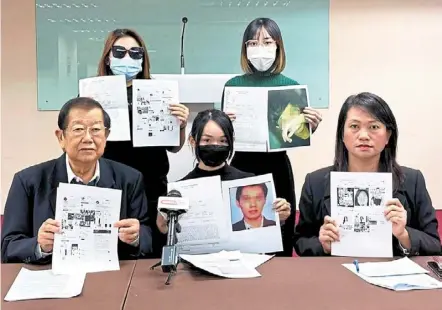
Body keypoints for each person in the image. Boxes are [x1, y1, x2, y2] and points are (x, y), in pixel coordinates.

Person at [1, 97, 153, 264]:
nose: (88, 138)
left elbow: (148, 236)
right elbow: (8, 247)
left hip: (111, 276)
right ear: (61, 137)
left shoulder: (130, 179)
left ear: (106, 135)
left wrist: (136, 237)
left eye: (96, 129)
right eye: (79, 129)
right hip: (50, 277)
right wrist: (39, 245)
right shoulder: (28, 181)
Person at [221, 17, 323, 256]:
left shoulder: (290, 86)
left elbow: (294, 135)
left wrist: (309, 127)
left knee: (280, 224)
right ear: (245, 49)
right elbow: (222, 134)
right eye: (252, 44)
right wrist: (223, 122)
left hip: (276, 165)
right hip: (240, 164)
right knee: (241, 228)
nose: (260, 49)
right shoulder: (233, 85)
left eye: (267, 42)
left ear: (278, 46)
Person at [294, 92, 441, 257]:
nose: (363, 136)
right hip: (336, 275)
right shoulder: (316, 182)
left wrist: (403, 235)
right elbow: (301, 241)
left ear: (388, 136)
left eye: (374, 127)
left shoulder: (413, 180)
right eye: (354, 126)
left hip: (392, 276)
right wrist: (324, 245)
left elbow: (434, 244)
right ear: (342, 134)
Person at [96, 29, 190, 257]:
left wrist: (181, 124)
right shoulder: (95, 95)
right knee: (114, 251)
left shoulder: (158, 92)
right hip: (111, 186)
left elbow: (174, 147)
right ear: (108, 57)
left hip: (151, 186)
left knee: (151, 251)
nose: (127, 58)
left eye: (135, 53)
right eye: (119, 52)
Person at [156, 109, 291, 241]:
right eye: (207, 140)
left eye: (222, 141)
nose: (215, 146)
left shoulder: (248, 182)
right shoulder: (180, 189)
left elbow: (265, 237)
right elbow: (166, 234)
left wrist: (279, 216)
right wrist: (164, 225)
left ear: (231, 141)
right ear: (192, 141)